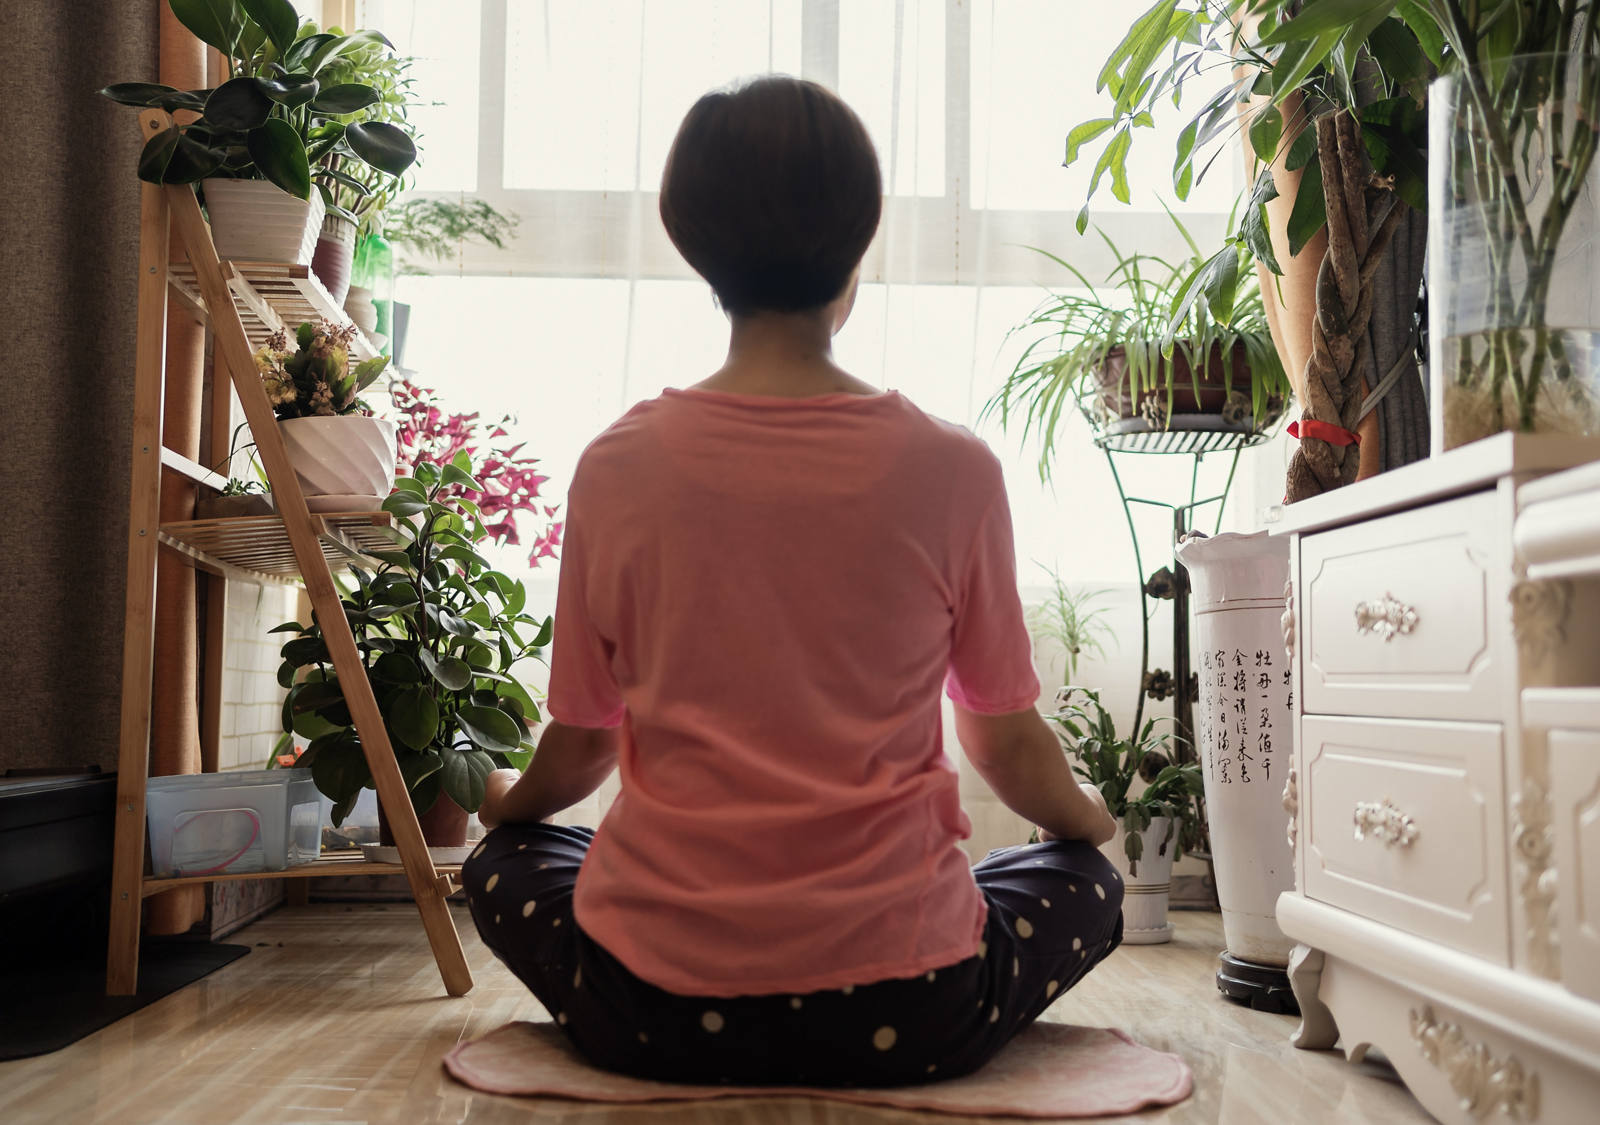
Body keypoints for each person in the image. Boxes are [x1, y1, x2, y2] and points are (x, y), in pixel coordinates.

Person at [461, 75, 1123, 1088]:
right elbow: (999, 733)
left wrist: (510, 804)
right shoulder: (954, 469)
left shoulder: (616, 464)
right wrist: (1087, 826)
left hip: (653, 1009)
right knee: (1079, 881)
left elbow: (587, 742)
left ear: (692, 244)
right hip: (910, 1008)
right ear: (859, 244)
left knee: (504, 864)